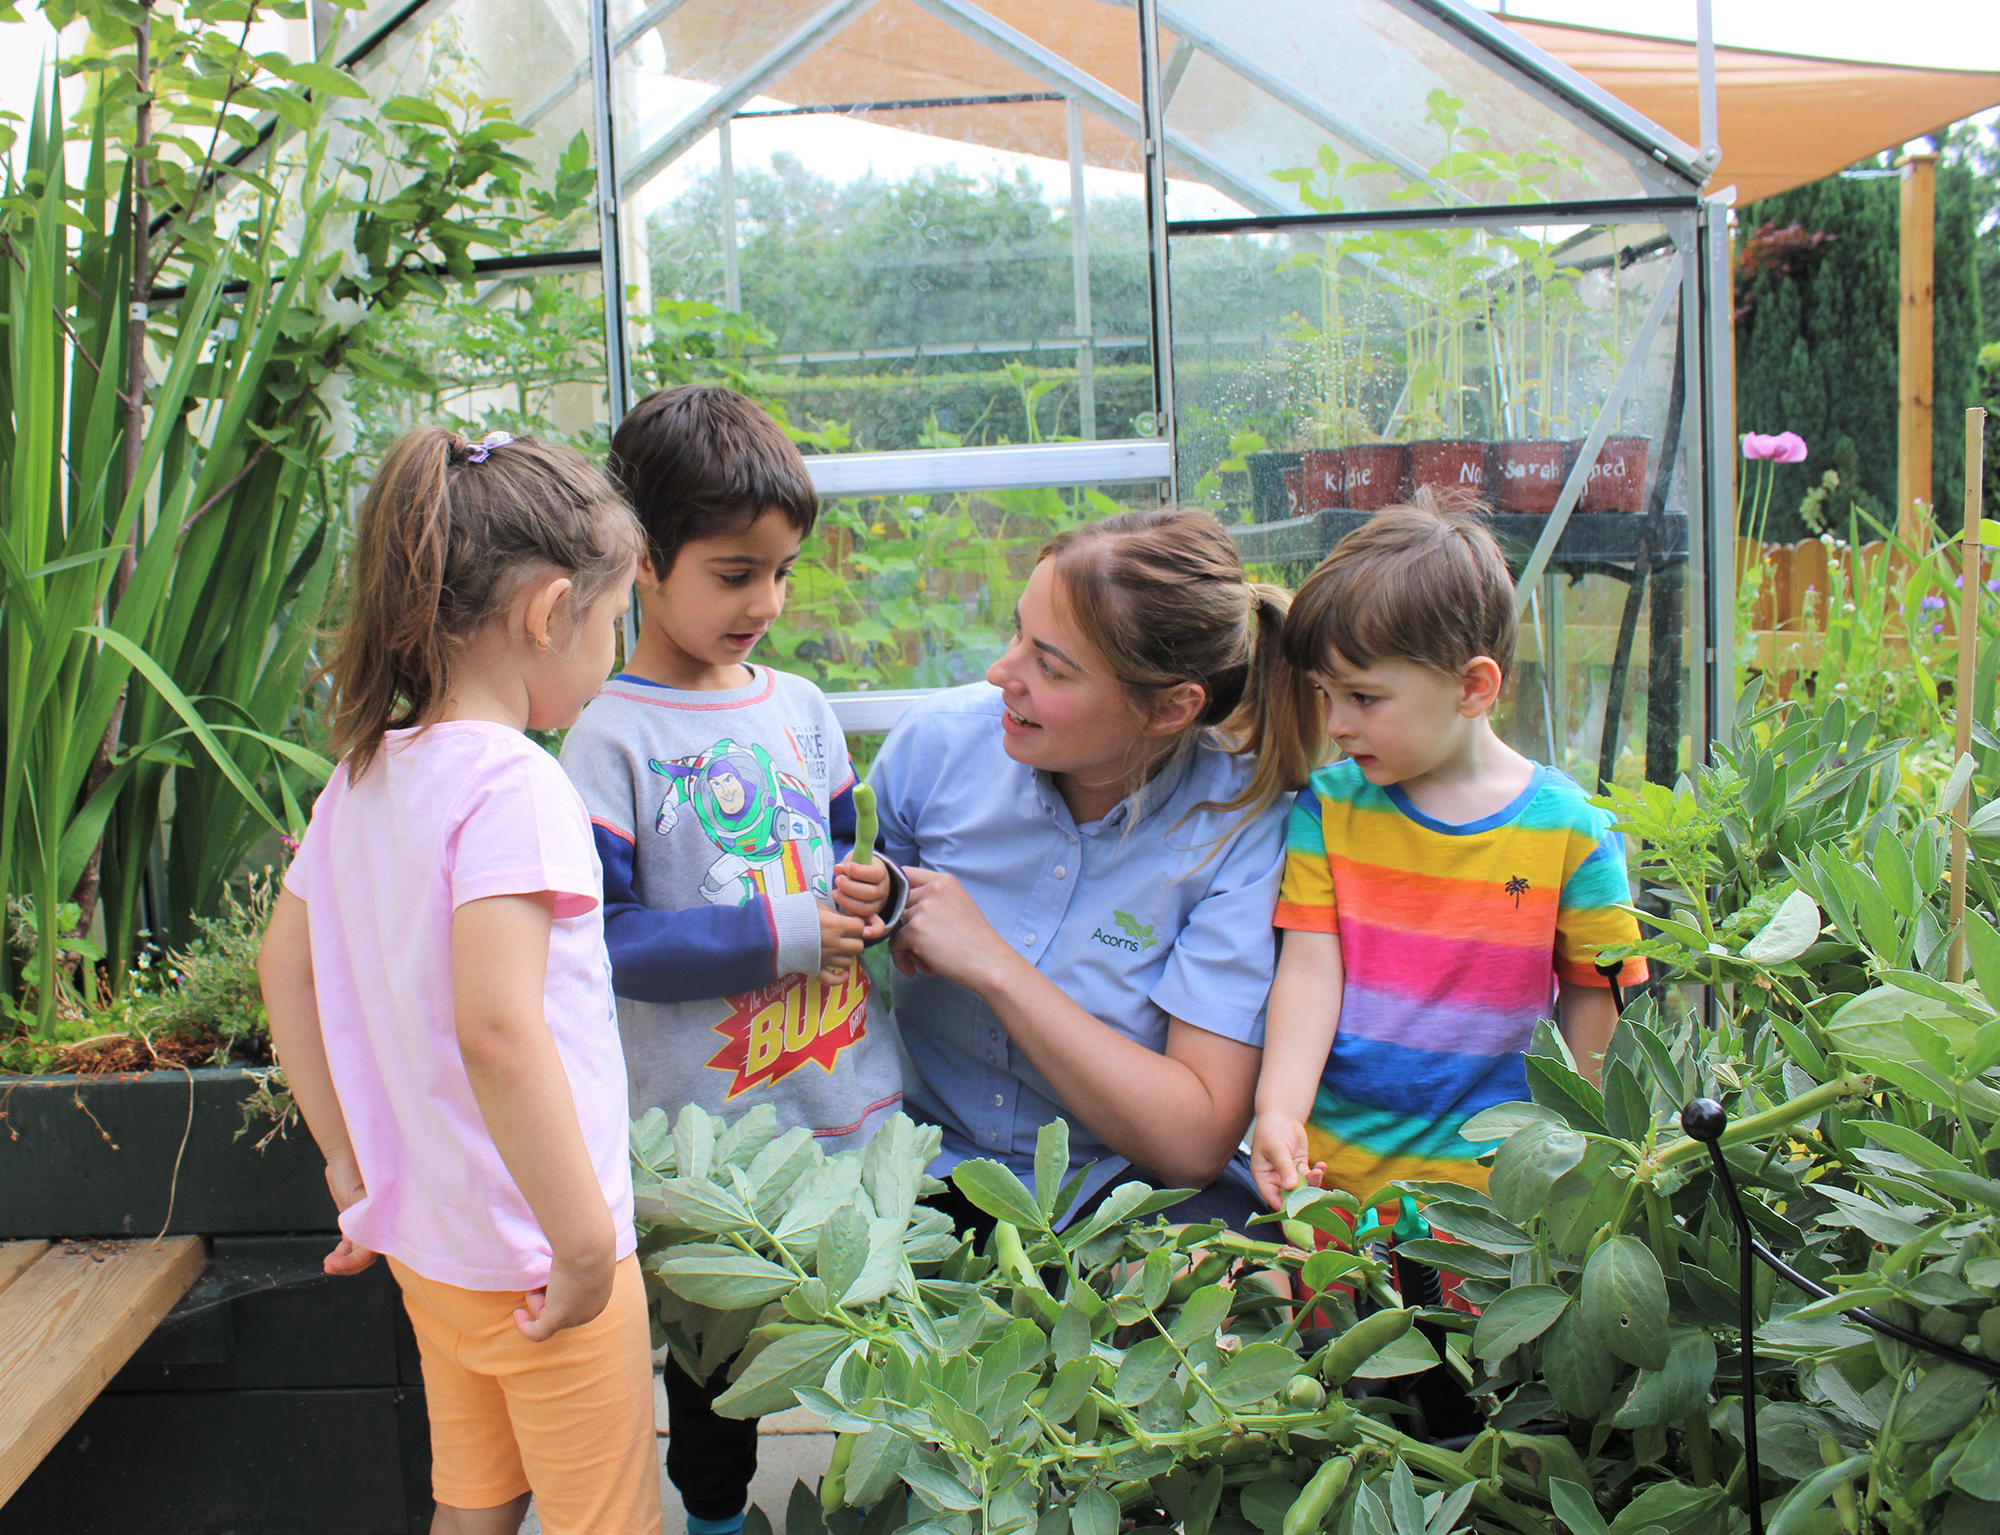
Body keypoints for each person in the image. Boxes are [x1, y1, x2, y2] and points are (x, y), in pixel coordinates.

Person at [257, 428, 659, 1535]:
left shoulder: (365, 773)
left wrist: (351, 1162)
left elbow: (282, 965)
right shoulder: (516, 787)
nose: (614, 651)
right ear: (544, 613)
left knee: (472, 1505)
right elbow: (497, 1027)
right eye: (614, 617)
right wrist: (581, 1246)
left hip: (433, 1247)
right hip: (546, 1259)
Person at [560, 384, 902, 1535]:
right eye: (734, 572)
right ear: (643, 560)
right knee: (717, 1378)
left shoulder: (799, 707)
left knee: (878, 1352)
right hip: (709, 1146)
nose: (767, 600)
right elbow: (608, 941)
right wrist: (791, 930)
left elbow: (854, 858)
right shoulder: (609, 738)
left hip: (841, 1109)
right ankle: (711, 1520)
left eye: (782, 570)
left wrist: (882, 896)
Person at [871, 508, 1321, 1230]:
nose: (1001, 673)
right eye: (1018, 632)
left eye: (1051, 666)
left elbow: (1195, 1140)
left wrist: (995, 965)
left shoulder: (1239, 826)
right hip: (913, 1171)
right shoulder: (937, 749)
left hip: (1118, 1195)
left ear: (1171, 707)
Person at [1249, 498, 1648, 1214]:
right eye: (1324, 695)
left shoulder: (1573, 832)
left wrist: (1586, 1161)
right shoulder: (1328, 810)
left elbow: (1598, 998)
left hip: (1500, 1201)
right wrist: (1278, 1111)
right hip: (1337, 1185)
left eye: (1364, 698)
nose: (1336, 725)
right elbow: (1309, 973)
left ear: (1473, 687)